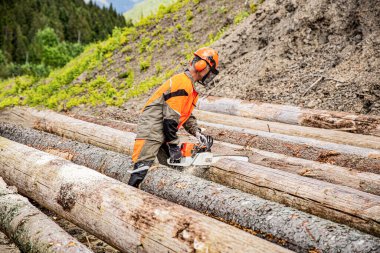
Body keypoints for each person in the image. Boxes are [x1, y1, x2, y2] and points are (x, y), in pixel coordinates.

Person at [128, 47, 219, 187]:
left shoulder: (187, 85)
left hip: (162, 130)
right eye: (210, 71)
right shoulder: (182, 83)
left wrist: (197, 132)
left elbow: (185, 115)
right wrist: (174, 145)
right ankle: (127, 198)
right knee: (141, 168)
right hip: (153, 129)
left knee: (174, 168)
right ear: (202, 66)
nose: (210, 76)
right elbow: (170, 119)